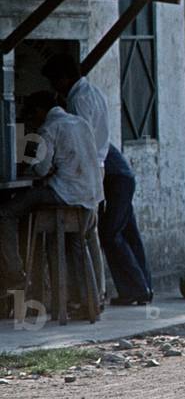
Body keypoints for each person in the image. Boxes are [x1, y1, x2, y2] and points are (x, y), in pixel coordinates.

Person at [0, 91, 103, 299]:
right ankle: (87, 299)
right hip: (91, 194)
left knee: (5, 214)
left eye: (32, 116)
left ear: (40, 111)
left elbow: (40, 169)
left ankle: (15, 274)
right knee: (77, 245)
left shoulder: (49, 128)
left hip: (65, 194)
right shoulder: (81, 123)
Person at [41, 54, 108, 302]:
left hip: (82, 171)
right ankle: (94, 294)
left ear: (64, 79)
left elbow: (80, 141)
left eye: (55, 82)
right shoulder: (93, 92)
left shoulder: (78, 100)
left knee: (82, 240)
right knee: (90, 237)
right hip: (93, 170)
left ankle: (86, 295)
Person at [100, 146, 154, 305]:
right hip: (121, 178)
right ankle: (143, 287)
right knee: (129, 235)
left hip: (117, 180)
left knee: (110, 234)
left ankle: (137, 289)